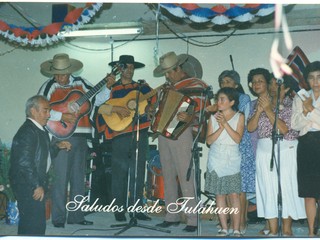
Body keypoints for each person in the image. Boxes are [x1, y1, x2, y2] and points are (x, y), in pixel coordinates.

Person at [38, 53, 112, 228]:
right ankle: (58, 218)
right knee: (60, 180)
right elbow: (39, 107)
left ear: (69, 71)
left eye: (63, 73)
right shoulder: (48, 86)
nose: (59, 77)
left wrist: (107, 87)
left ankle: (76, 217)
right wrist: (61, 115)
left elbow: (98, 100)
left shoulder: (81, 83)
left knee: (79, 180)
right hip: (60, 136)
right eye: (56, 73)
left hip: (81, 137)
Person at [153, 52, 210, 232]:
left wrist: (190, 116)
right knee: (167, 174)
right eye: (166, 73)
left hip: (183, 132)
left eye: (170, 72)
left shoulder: (197, 85)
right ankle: (172, 215)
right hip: (164, 133)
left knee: (185, 176)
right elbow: (159, 109)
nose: (167, 76)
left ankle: (193, 218)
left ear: (179, 69)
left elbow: (203, 111)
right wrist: (153, 113)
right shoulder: (165, 88)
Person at [247, 68, 305, 236]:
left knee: (285, 188)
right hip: (264, 149)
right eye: (271, 83)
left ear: (285, 88)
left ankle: (286, 229)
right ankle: (272, 229)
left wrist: (268, 110)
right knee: (268, 188)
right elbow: (251, 128)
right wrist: (260, 110)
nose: (272, 87)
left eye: (276, 84)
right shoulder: (262, 102)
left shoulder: (290, 103)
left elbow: (284, 128)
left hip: (286, 148)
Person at [97, 55, 156, 222]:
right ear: (119, 68)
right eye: (126, 67)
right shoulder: (111, 88)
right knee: (119, 173)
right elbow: (100, 109)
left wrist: (151, 108)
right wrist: (116, 108)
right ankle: (119, 210)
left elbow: (153, 100)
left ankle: (137, 210)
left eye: (132, 67)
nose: (129, 70)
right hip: (120, 134)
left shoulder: (141, 87)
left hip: (139, 132)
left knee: (138, 172)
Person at [9, 95, 71, 235]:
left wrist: (58, 146)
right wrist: (36, 185)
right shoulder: (27, 132)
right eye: (45, 110)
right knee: (33, 222)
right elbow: (24, 162)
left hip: (32, 181)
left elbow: (43, 154)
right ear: (33, 111)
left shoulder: (38, 129)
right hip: (27, 183)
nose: (49, 115)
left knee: (34, 220)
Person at [210, 70, 255, 235]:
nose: (224, 85)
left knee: (238, 189)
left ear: (236, 85)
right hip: (223, 147)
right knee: (226, 189)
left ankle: (241, 223)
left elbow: (239, 119)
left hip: (240, 145)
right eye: (222, 82)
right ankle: (227, 221)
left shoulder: (243, 99)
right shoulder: (219, 105)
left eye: (228, 82)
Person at [205, 87, 244, 236]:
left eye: (223, 99)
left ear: (231, 102)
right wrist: (220, 128)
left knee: (234, 195)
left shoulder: (239, 116)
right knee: (219, 194)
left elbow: (237, 138)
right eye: (218, 99)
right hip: (216, 158)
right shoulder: (213, 118)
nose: (219, 102)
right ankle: (223, 227)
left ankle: (236, 229)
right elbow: (208, 141)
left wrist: (225, 124)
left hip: (232, 158)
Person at [291, 61, 320, 237]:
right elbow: (295, 124)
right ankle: (311, 232)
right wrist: (308, 112)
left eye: (319, 77)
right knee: (308, 192)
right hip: (306, 145)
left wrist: (310, 111)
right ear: (306, 80)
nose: (315, 81)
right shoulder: (300, 97)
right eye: (311, 78)